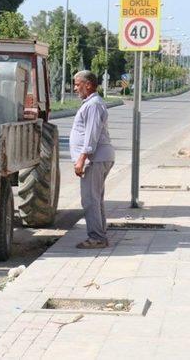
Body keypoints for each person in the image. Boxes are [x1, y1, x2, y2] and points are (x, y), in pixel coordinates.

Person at [69, 70, 116, 249]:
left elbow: (91, 134)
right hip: (98, 158)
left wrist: (82, 158)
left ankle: (97, 238)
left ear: (88, 84)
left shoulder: (93, 105)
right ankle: (100, 234)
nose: (74, 88)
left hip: (95, 159)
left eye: (77, 84)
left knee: (90, 199)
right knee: (95, 198)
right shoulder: (91, 103)